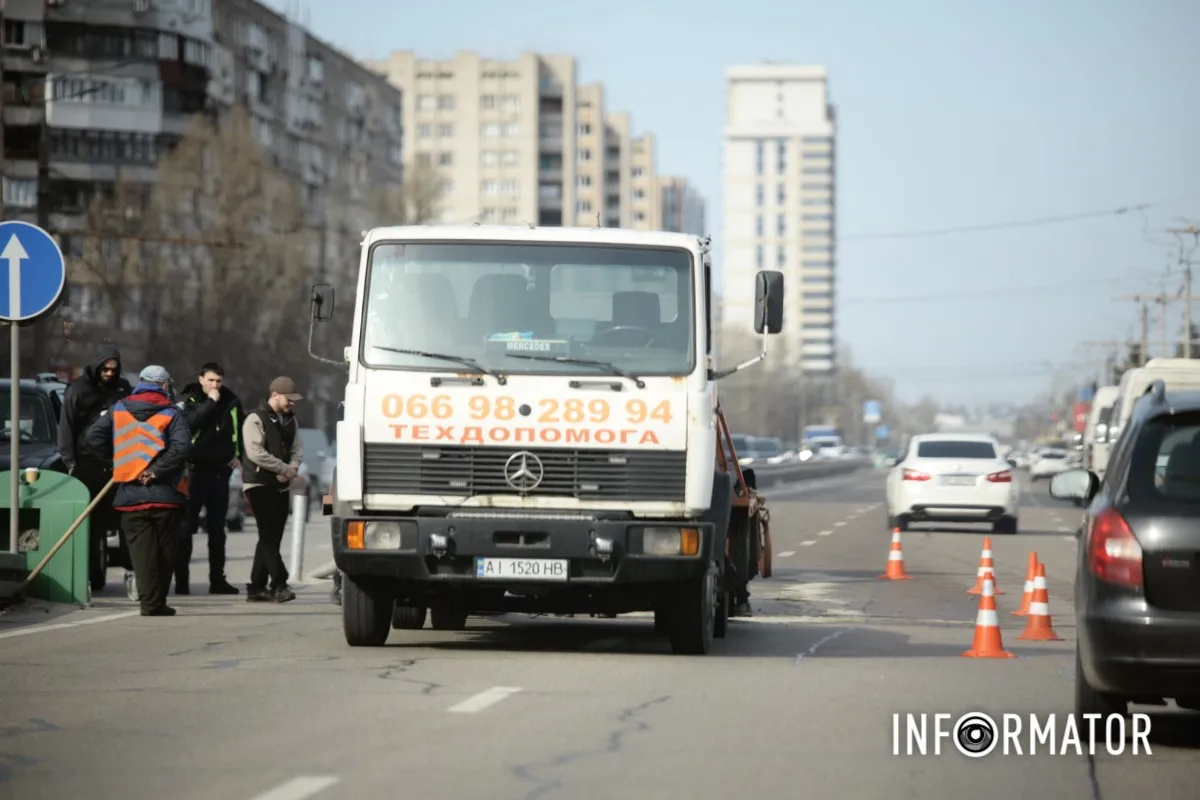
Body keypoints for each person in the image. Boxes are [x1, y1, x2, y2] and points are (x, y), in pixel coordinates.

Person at [84, 366, 190, 617]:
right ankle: (156, 603)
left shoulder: (118, 408)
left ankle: (150, 603)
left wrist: (119, 461)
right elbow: (182, 447)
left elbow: (92, 438)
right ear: (164, 386)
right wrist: (156, 470)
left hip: (130, 495)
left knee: (141, 555)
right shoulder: (172, 412)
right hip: (167, 495)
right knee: (165, 553)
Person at [57, 345, 136, 599]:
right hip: (88, 464)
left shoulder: (123, 389)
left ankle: (131, 572)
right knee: (89, 527)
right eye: (105, 368)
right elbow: (66, 428)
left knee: (126, 521)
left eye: (114, 369)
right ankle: (89, 577)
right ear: (96, 366)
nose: (109, 373)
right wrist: (71, 463)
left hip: (119, 464)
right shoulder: (77, 390)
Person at [175, 362, 244, 595]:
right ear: (201, 379)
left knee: (217, 529)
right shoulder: (191, 401)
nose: (216, 385)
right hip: (194, 471)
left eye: (219, 381)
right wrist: (211, 402)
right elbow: (190, 424)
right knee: (187, 528)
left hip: (220, 471)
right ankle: (182, 581)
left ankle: (218, 579)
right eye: (212, 380)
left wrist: (238, 455)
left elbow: (240, 430)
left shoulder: (232, 401)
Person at [242, 376, 304, 604]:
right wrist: (284, 468)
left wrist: (292, 468)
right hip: (258, 483)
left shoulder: (291, 421)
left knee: (271, 537)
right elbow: (254, 452)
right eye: (289, 399)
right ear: (275, 395)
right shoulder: (255, 419)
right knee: (268, 536)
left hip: (280, 483)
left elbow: (297, 448)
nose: (292, 404)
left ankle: (256, 587)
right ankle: (279, 583)